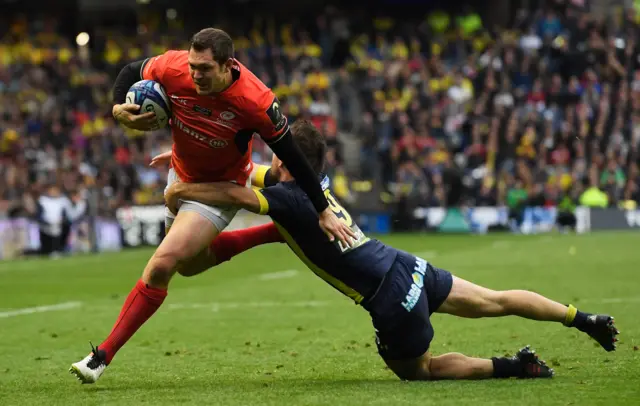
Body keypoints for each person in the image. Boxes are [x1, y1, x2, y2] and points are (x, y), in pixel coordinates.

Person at [163, 119, 619, 381]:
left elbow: (238, 193)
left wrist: (183, 186)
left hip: (389, 298)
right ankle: (583, 319)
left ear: (285, 161)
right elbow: (250, 172)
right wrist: (193, 162)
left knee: (418, 371)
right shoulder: (315, 185)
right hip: (406, 265)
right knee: (495, 300)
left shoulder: (290, 199)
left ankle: (515, 368)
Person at [69, 28, 355, 384]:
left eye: (204, 68)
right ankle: (271, 233)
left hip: (220, 188)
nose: (195, 75)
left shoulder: (255, 100)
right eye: (193, 66)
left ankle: (100, 357)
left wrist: (322, 209)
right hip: (180, 173)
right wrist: (117, 110)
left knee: (161, 266)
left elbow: (293, 158)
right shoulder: (174, 67)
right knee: (188, 267)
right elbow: (130, 71)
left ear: (228, 66)